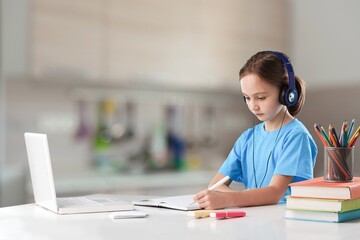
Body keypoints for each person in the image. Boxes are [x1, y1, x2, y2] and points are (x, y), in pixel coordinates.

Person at [193, 51, 318, 210]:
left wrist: (228, 200)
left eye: (261, 97)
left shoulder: (296, 137)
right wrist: (233, 198)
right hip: (254, 224)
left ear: (286, 94)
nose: (253, 105)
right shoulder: (247, 138)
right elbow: (216, 185)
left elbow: (274, 193)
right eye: (247, 97)